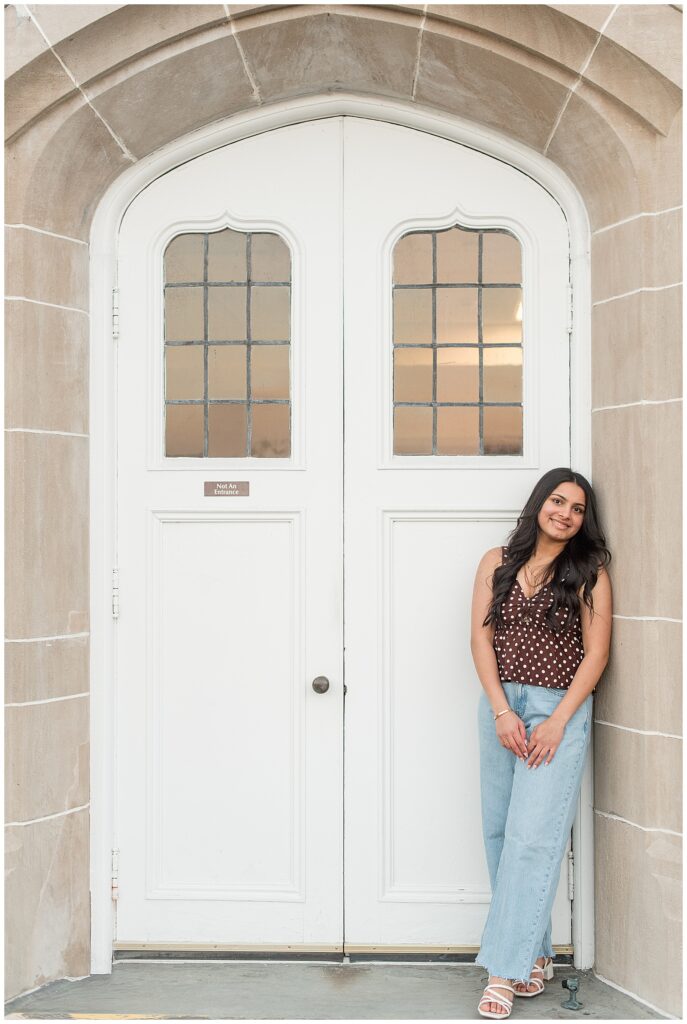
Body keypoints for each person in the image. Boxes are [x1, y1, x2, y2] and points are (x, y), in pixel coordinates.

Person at [470, 467, 612, 1019]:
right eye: (558, 501)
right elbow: (480, 638)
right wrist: (501, 709)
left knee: (534, 838)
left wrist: (558, 721)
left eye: (577, 509)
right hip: (501, 708)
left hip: (559, 711)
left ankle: (503, 971)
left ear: (583, 521)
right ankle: (533, 954)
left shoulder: (589, 571)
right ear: (539, 504)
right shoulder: (496, 561)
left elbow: (596, 654)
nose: (565, 514)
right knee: (503, 832)